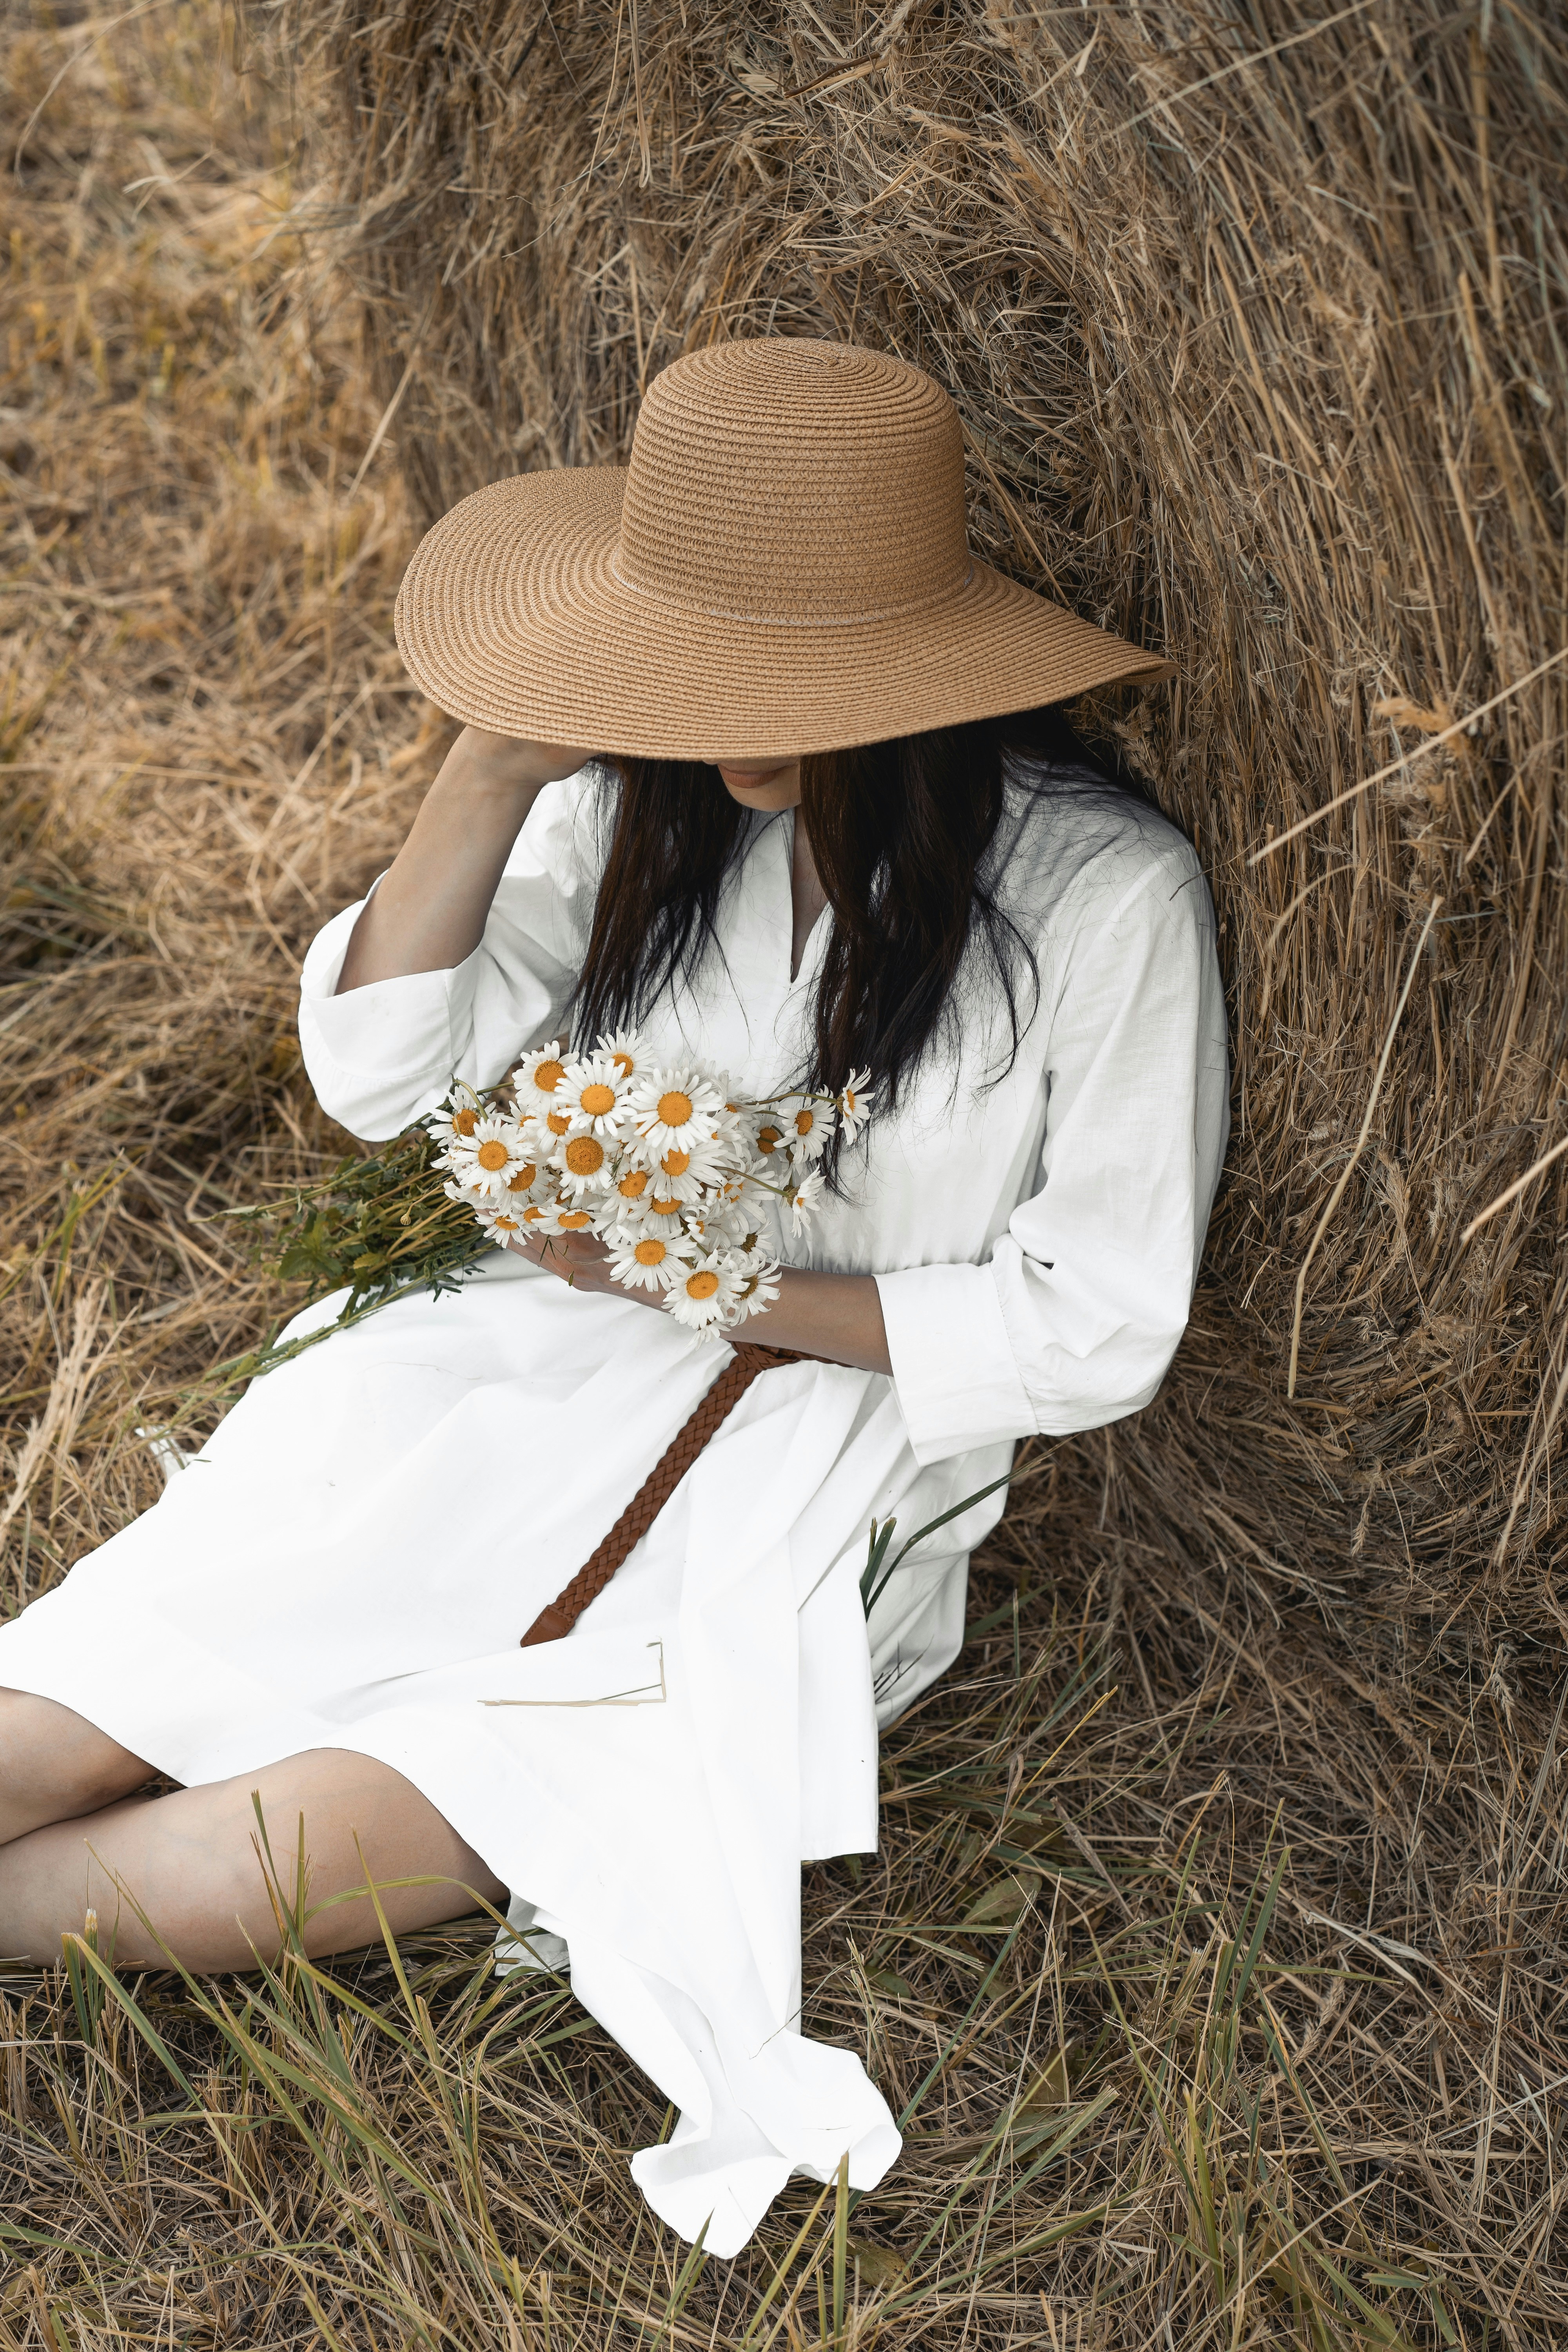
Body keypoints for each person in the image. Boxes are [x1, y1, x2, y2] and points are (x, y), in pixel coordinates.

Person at [0, 338, 1227, 2254]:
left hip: (810, 1465)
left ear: (903, 671)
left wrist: (732, 1290)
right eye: (680, 649)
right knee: (90, 1705)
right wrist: (501, 748)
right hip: (506, 1366)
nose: (708, 709)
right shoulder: (639, 807)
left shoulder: (1100, 900)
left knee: (292, 1857)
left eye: (754, 667)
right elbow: (378, 1076)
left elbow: (1096, 1322)